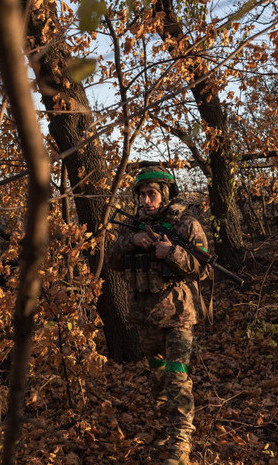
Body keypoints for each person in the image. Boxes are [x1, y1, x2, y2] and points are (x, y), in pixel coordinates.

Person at [108, 167, 209, 465]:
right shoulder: (132, 226)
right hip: (145, 317)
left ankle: (180, 444)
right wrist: (132, 241)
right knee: (158, 378)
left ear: (165, 194)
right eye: (142, 195)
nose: (146, 200)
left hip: (178, 317)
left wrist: (172, 253)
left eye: (152, 194)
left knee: (176, 378)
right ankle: (170, 427)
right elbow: (112, 262)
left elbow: (204, 267)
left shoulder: (187, 225)